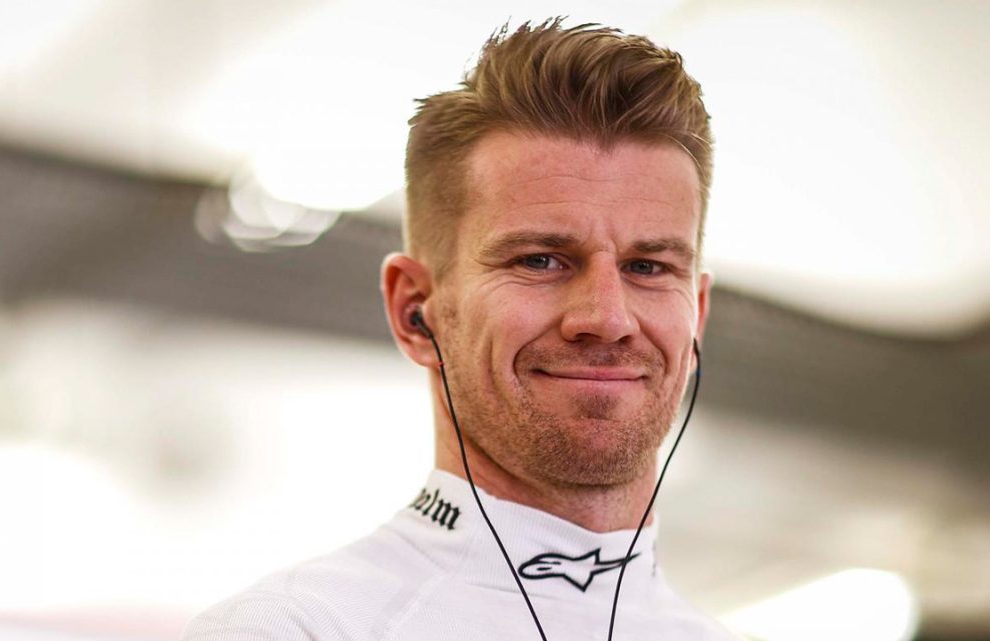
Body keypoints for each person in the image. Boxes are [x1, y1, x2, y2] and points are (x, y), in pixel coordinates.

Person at [182, 18, 734, 641]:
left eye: (648, 267)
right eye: (540, 260)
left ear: (697, 314)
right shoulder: (294, 629)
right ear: (414, 312)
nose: (607, 318)